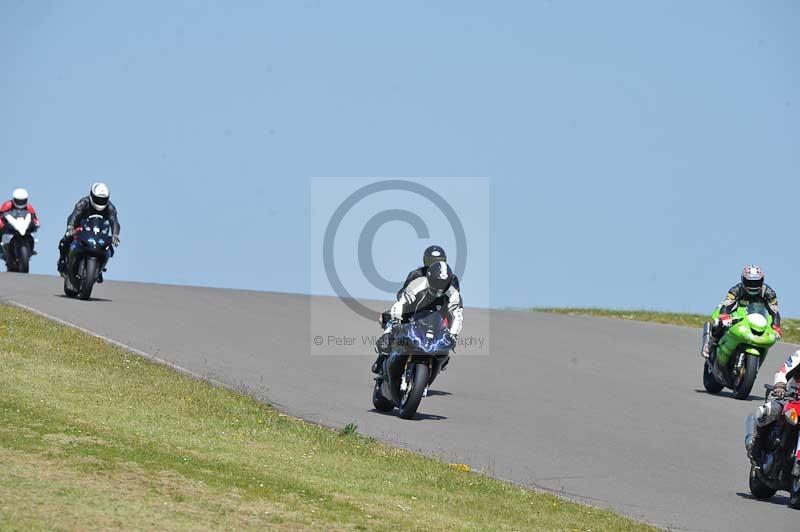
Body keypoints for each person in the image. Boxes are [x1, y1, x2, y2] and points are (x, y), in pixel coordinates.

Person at [372, 261, 463, 374]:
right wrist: (396, 321)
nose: (440, 288)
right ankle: (381, 358)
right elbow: (401, 303)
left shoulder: (453, 294)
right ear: (429, 278)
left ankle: (438, 363)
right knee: (389, 336)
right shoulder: (418, 285)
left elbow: (457, 316)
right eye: (437, 282)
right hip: (410, 315)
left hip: (433, 321)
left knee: (444, 346)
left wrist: (453, 335)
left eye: (444, 284)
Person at [703, 265, 781, 360]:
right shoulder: (736, 290)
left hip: (759, 317)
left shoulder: (769, 293)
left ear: (762, 281)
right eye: (749, 282)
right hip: (738, 314)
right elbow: (727, 304)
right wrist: (724, 316)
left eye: (756, 282)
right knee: (719, 322)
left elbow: (774, 311)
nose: (753, 285)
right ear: (743, 280)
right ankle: (710, 344)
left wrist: (776, 327)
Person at [57, 183, 121, 281]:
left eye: (102, 200)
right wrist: (71, 227)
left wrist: (115, 234)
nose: (100, 202)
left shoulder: (110, 207)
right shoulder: (83, 202)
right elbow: (75, 215)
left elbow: (114, 221)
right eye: (98, 199)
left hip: (100, 231)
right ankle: (62, 261)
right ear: (92, 196)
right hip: (81, 227)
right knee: (65, 240)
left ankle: (99, 268)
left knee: (110, 248)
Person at [746, 349, 800, 462]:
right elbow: (784, 371)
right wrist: (780, 385)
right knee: (769, 410)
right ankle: (757, 444)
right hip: (793, 400)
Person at [0, 188, 40, 259]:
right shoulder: (7, 205)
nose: (20, 203)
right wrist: (2, 224)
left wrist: (36, 223)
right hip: (10, 225)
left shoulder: (29, 207)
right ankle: (1, 249)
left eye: (22, 201)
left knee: (32, 233)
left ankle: (30, 248)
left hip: (22, 226)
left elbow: (34, 217)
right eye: (18, 201)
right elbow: (1, 215)